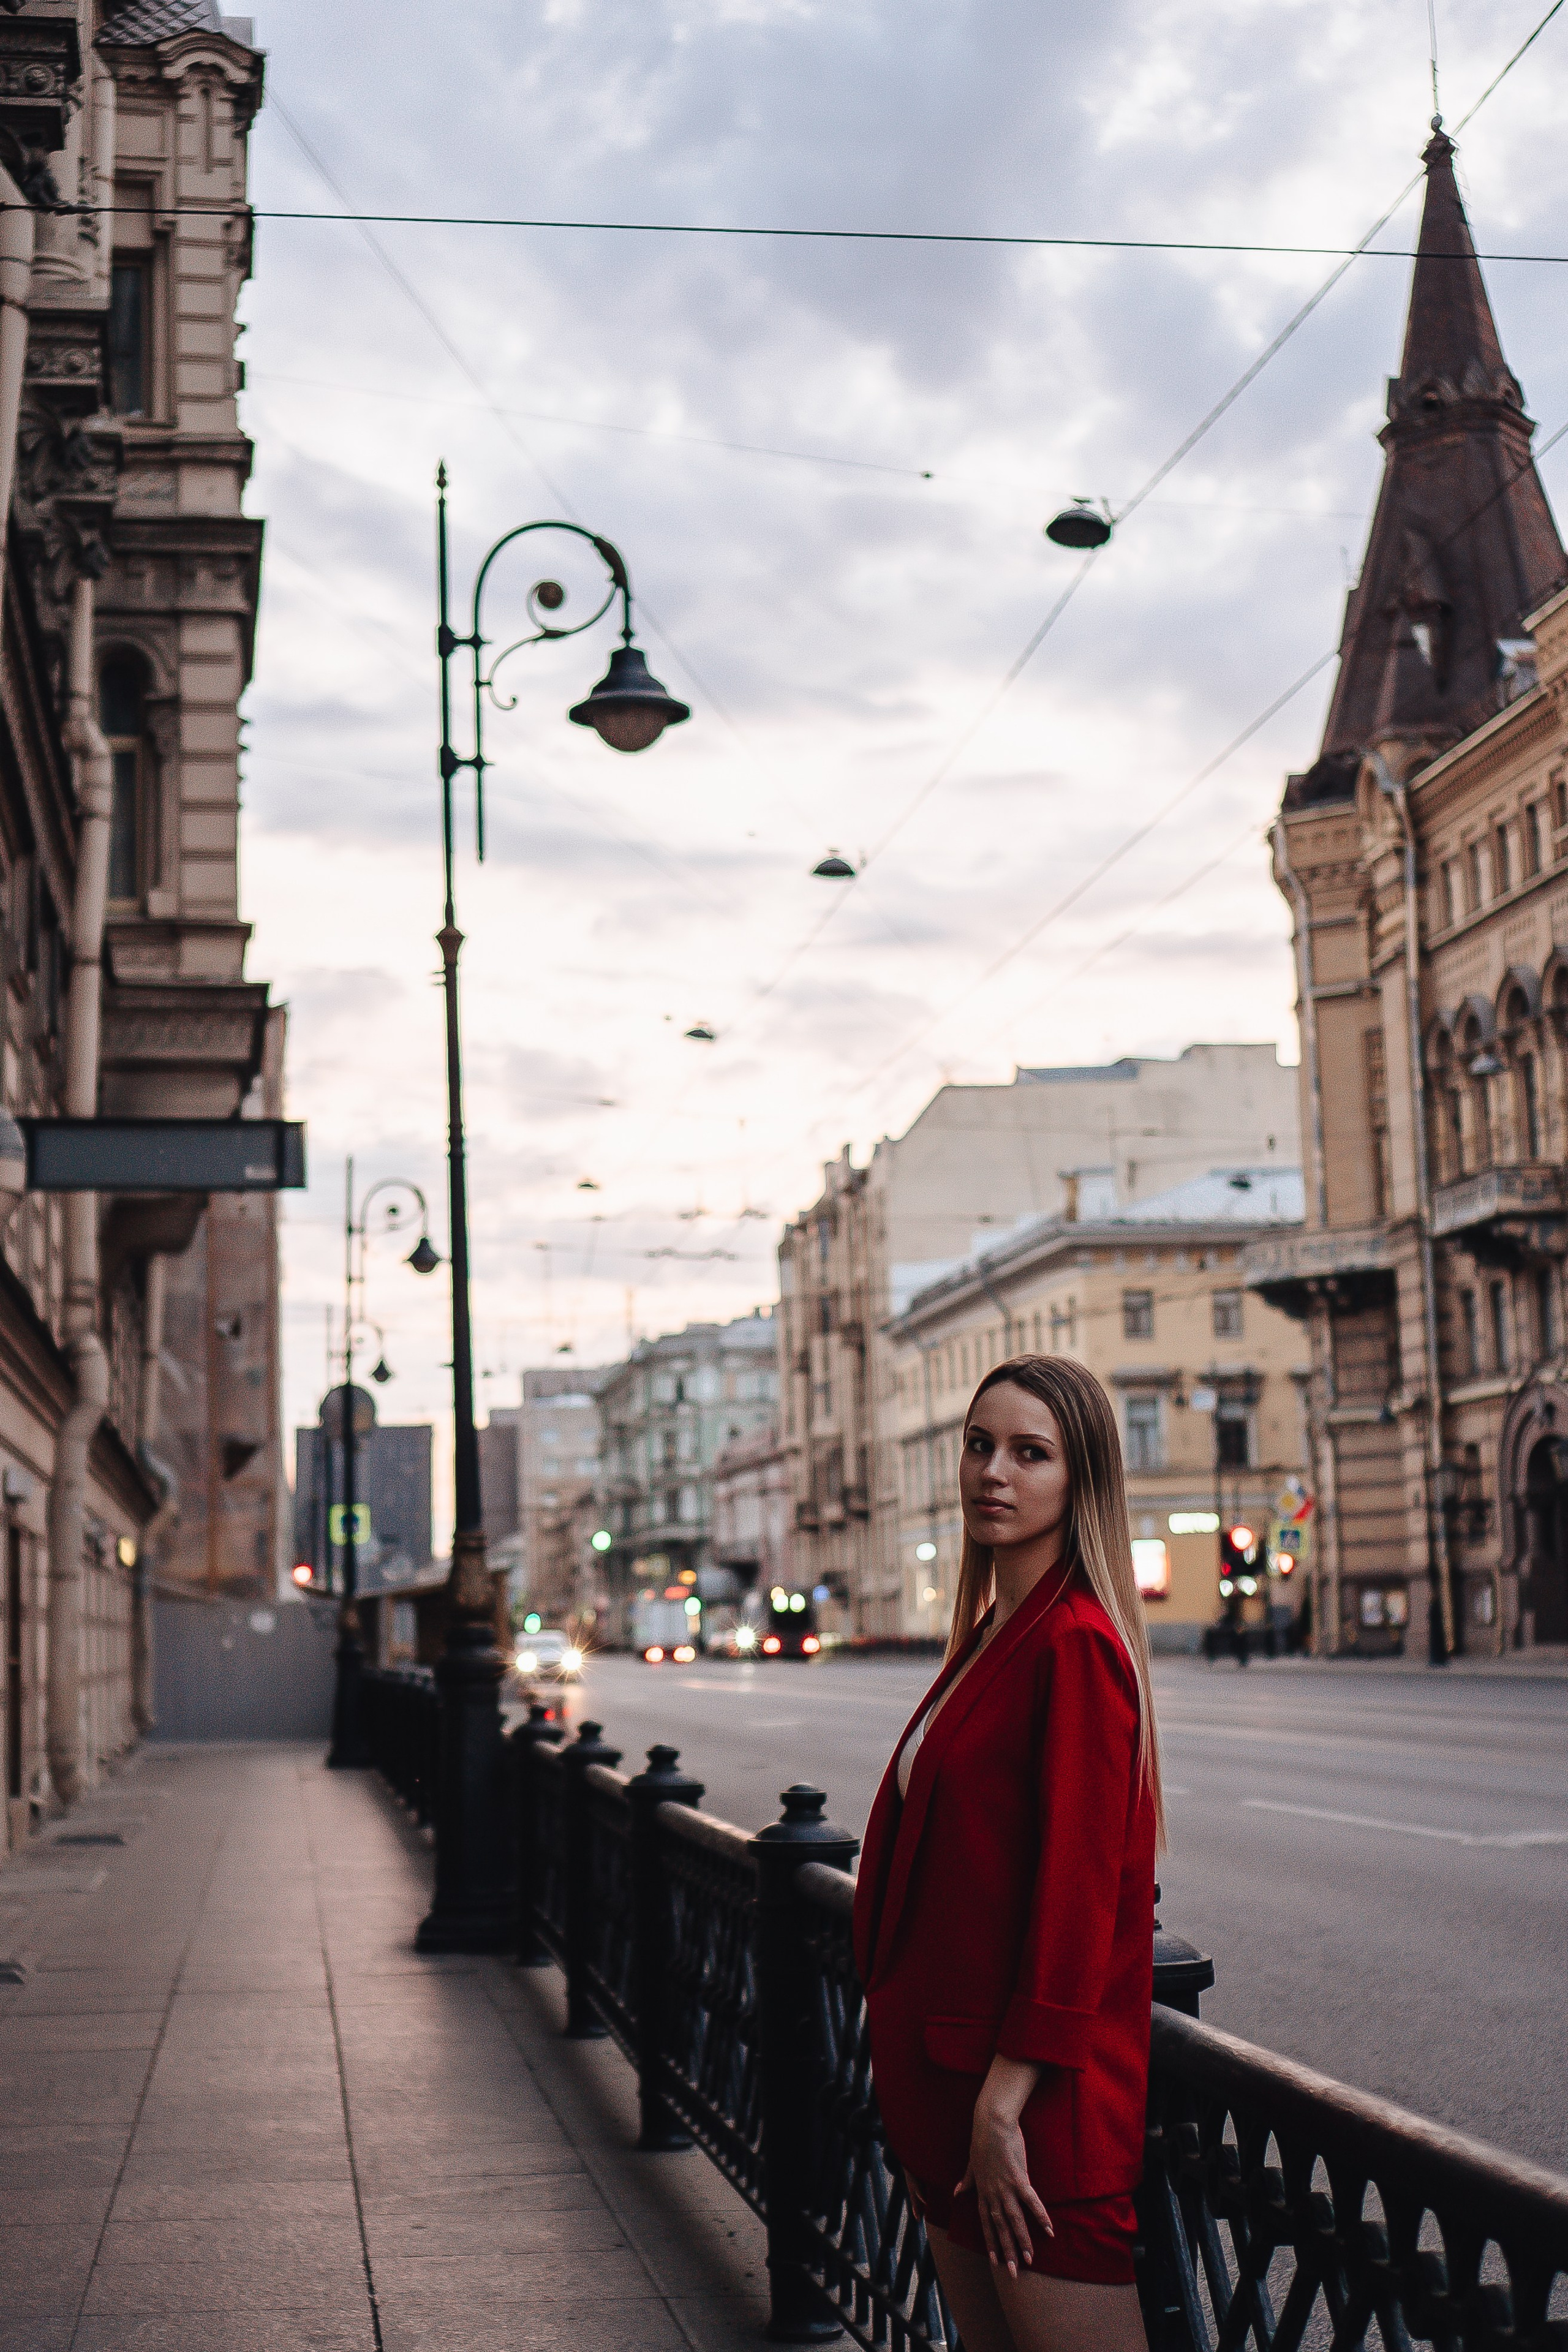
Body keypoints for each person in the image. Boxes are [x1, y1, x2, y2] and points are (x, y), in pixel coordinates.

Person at [853, 1355, 1166, 2352]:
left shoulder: (1074, 1644)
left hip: (1028, 2124)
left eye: (1032, 1453)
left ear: (1082, 1482)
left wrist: (1000, 2110)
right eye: (980, 1445)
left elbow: (1075, 1903)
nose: (995, 1472)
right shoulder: (996, 1634)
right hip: (950, 2094)